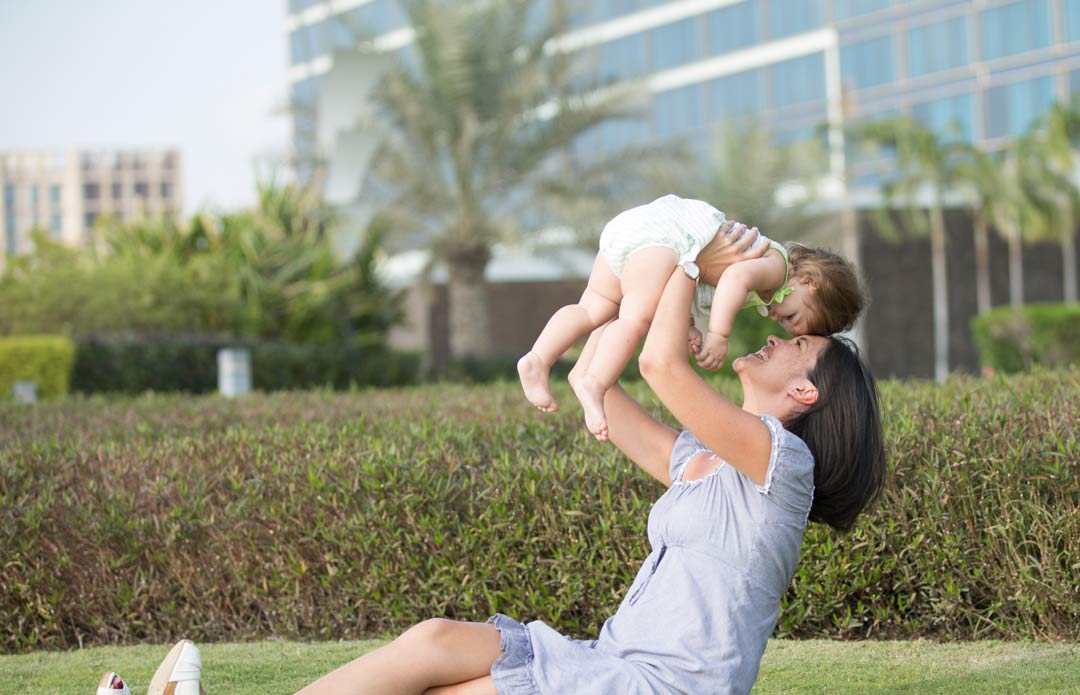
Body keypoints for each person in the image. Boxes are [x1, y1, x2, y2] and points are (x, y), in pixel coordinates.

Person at [293, 231, 887, 695]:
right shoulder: (705, 464)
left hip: (663, 685)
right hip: (609, 663)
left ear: (807, 393)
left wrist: (689, 251)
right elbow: (598, 385)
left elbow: (660, 370)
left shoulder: (786, 467)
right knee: (431, 644)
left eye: (800, 345)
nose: (780, 337)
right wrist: (636, 294)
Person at [517, 193, 865, 441]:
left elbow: (696, 281)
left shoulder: (767, 278)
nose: (778, 321)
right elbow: (730, 277)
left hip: (638, 232)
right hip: (668, 239)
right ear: (809, 282)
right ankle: (594, 381)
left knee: (594, 307)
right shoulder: (776, 268)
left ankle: (538, 358)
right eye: (792, 317)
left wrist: (688, 325)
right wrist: (717, 334)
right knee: (635, 319)